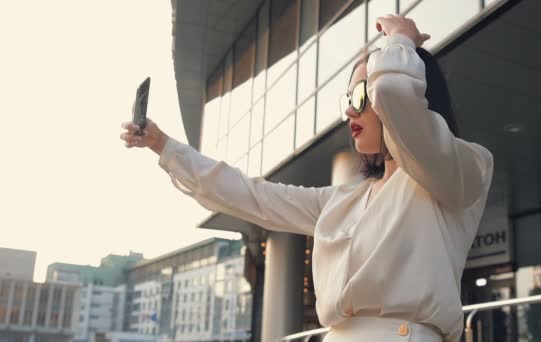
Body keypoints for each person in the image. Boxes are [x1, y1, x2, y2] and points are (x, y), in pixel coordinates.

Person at [120, 14, 493, 342]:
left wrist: (400, 41)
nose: (349, 109)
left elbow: (395, 95)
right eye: (348, 96)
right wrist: (162, 145)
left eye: (362, 94)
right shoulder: (342, 200)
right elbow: (250, 195)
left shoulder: (464, 170)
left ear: (418, 91)